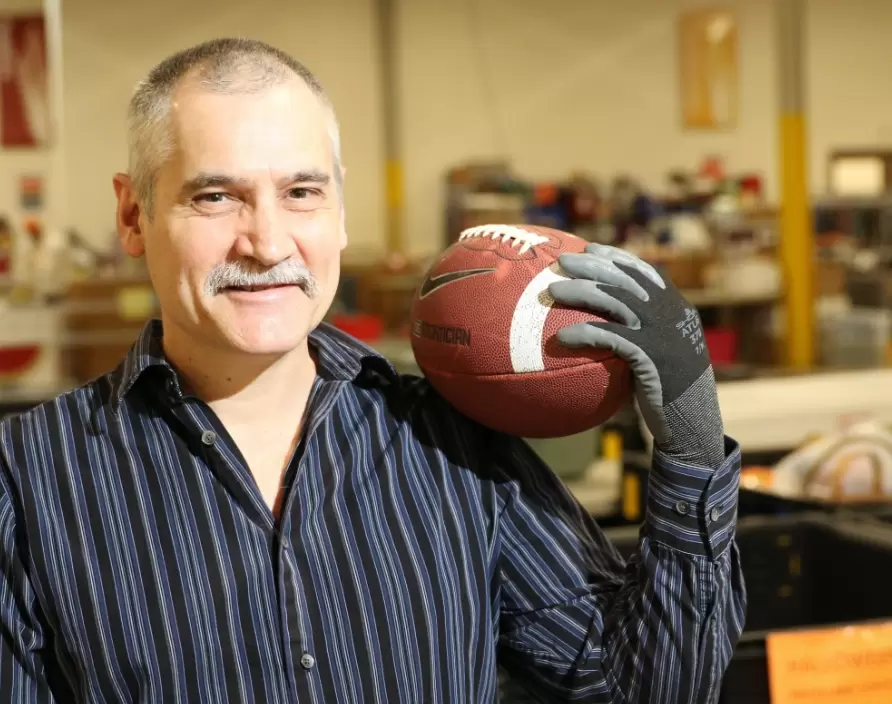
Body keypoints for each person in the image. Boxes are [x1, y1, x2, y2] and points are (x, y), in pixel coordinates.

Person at [0, 38, 745, 703]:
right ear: (133, 216)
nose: (266, 243)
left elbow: (640, 686)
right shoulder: (30, 477)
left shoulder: (453, 448)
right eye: (216, 196)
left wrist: (689, 434)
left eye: (301, 192)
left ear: (340, 209)